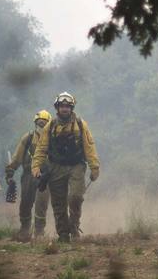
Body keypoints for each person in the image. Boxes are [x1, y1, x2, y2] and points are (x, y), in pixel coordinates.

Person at [31, 92, 101, 243]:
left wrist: (94, 167)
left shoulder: (81, 124)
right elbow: (41, 149)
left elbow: (89, 147)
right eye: (62, 106)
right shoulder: (50, 127)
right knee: (58, 203)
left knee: (76, 197)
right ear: (57, 108)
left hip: (76, 166)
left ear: (71, 108)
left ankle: (74, 226)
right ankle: (63, 234)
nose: (64, 109)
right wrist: (36, 166)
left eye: (67, 106)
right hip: (56, 167)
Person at [6, 110, 52, 241]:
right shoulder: (28, 138)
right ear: (35, 123)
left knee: (41, 203)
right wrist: (10, 172)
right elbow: (17, 157)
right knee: (26, 202)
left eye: (44, 123)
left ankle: (39, 232)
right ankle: (25, 229)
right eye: (39, 122)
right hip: (28, 175)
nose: (41, 125)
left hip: (45, 176)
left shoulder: (53, 139)